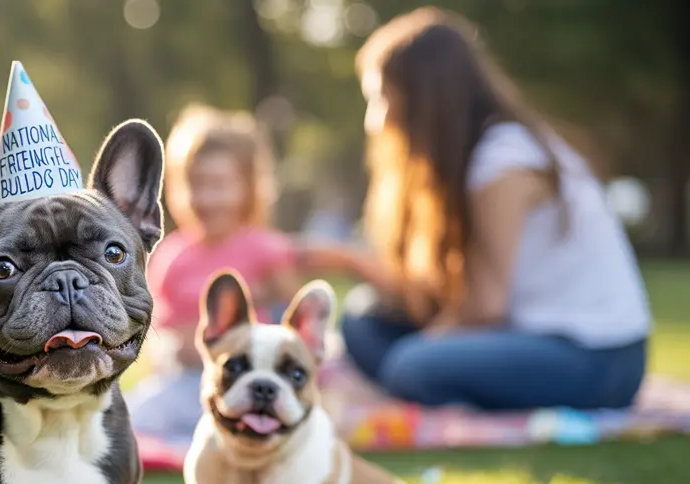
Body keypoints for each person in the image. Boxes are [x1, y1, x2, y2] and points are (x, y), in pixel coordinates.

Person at [307, 8, 652, 411]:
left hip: (597, 357)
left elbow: (487, 306)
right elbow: (444, 293)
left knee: (410, 363)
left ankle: (419, 384)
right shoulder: (471, 161)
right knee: (363, 321)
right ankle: (428, 384)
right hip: (526, 333)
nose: (375, 121)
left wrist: (426, 344)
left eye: (382, 99)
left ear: (424, 98)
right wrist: (351, 263)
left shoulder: (504, 162)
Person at [126, 104, 299, 440]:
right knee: (134, 416)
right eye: (195, 184)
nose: (205, 197)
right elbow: (158, 331)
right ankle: (190, 443)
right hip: (188, 384)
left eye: (219, 185)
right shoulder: (171, 256)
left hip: (255, 383)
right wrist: (173, 348)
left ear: (248, 187)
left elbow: (293, 318)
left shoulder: (264, 247)